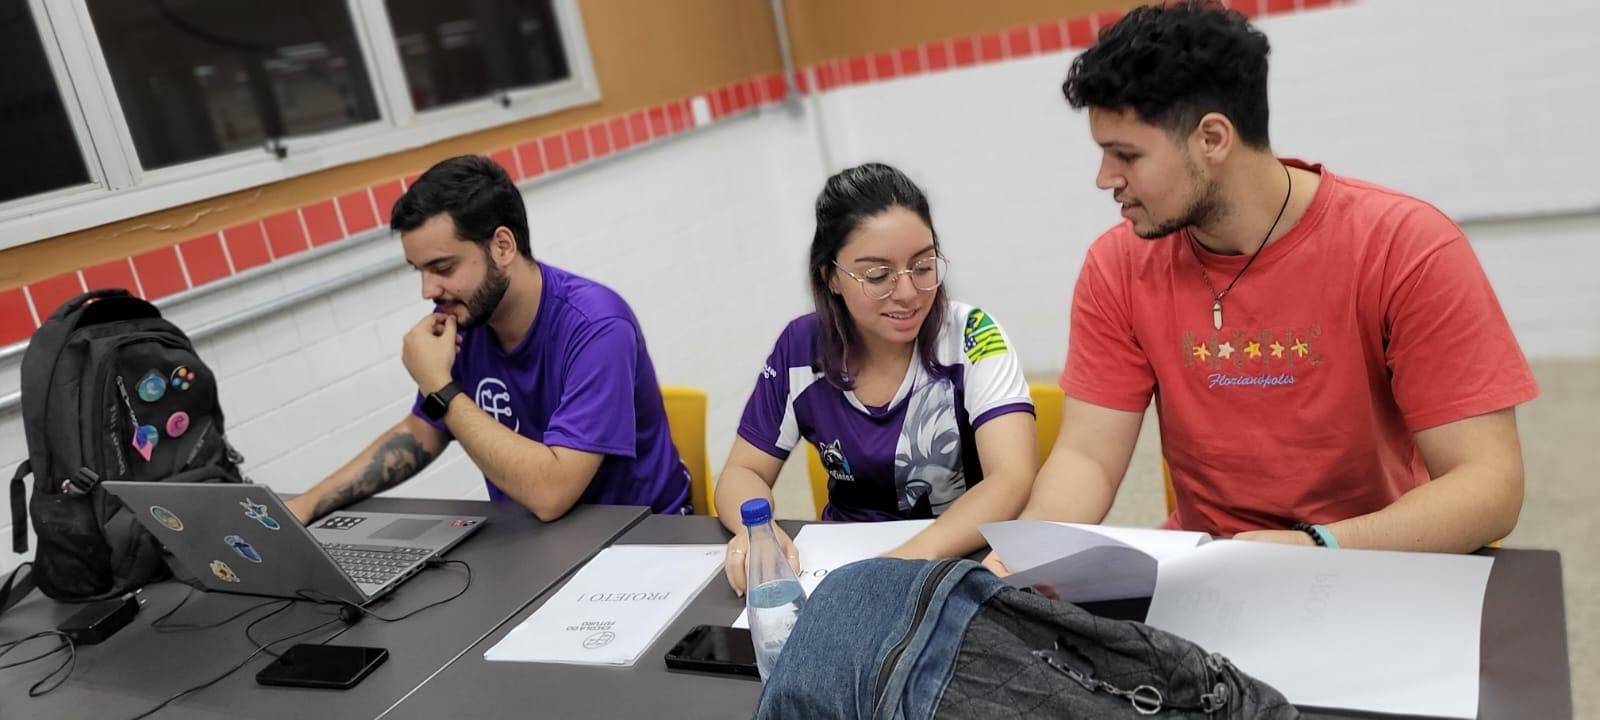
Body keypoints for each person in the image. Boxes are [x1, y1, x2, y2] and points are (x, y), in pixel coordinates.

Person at [988, 0, 1538, 569]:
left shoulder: (1405, 246)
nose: (1106, 179)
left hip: (1376, 558)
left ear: (1213, 139)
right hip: (1213, 568)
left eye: (1126, 155)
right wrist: (1014, 561)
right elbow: (1086, 459)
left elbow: (1489, 485)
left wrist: (1313, 547)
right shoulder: (1118, 265)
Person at [286, 155, 690, 524]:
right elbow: (423, 430)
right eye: (419, 271)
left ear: (502, 246)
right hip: (542, 544)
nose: (429, 290)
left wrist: (439, 387)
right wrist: (307, 504)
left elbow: (552, 493)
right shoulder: (465, 318)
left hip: (643, 539)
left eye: (443, 267)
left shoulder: (597, 325)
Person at [717, 162, 1038, 594]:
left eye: (922, 267)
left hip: (963, 560)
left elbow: (1011, 478)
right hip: (843, 564)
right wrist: (756, 530)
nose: (907, 293)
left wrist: (901, 562)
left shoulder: (971, 335)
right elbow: (743, 470)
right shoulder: (800, 348)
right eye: (877, 276)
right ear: (830, 277)